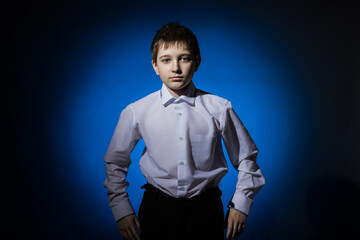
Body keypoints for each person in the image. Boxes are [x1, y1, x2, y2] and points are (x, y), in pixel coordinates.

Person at [103, 22, 265, 240]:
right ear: (155, 66)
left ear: (197, 62)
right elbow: (115, 161)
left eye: (184, 58)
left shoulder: (219, 108)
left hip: (206, 210)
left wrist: (241, 204)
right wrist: (121, 210)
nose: (176, 68)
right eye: (166, 60)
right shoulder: (136, 111)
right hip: (156, 209)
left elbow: (246, 158)